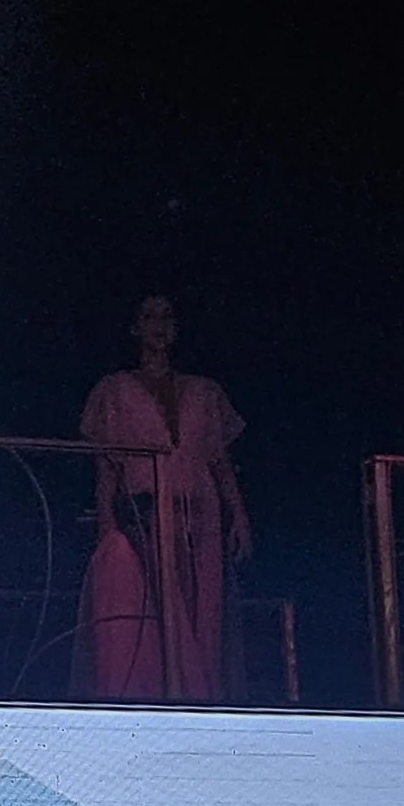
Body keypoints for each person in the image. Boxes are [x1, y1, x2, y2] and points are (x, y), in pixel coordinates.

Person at [72, 294, 251, 703]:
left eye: (167, 316)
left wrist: (239, 516)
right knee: (149, 609)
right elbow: (108, 466)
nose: (159, 325)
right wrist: (106, 528)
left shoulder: (205, 392)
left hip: (200, 514)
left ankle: (201, 702)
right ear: (135, 326)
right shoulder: (114, 390)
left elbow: (220, 461)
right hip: (146, 512)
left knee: (202, 617)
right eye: (149, 316)